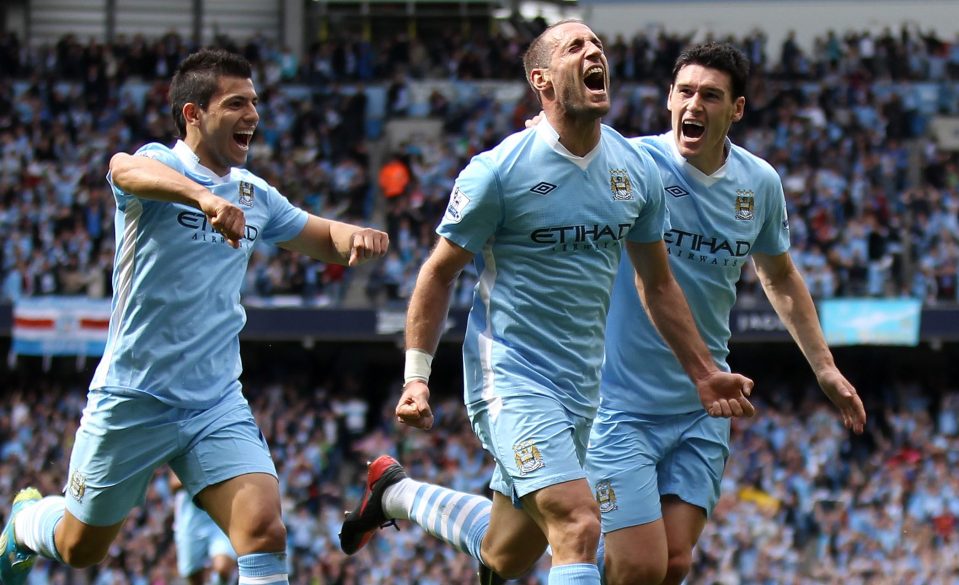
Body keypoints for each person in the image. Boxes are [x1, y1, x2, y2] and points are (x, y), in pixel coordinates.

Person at [338, 21, 754, 585]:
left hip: (582, 391)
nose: (594, 52)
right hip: (510, 378)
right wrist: (417, 377)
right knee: (579, 525)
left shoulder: (635, 172)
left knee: (505, 552)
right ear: (543, 81)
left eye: (598, 45)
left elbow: (657, 285)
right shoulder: (499, 172)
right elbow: (437, 274)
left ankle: (395, 493)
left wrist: (704, 373)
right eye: (574, 47)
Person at [0, 48, 388, 585]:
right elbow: (122, 168)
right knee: (80, 546)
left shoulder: (254, 194)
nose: (253, 114)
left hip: (214, 400)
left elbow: (320, 234)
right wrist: (203, 199)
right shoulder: (161, 164)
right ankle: (23, 522)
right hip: (134, 396)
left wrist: (355, 237)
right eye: (236, 103)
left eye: (254, 102)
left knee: (263, 530)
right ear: (193, 114)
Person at [582, 42, 867, 585]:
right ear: (669, 98)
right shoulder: (630, 163)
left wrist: (825, 367)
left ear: (736, 109)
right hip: (620, 404)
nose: (694, 105)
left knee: (675, 562)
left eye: (710, 96)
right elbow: (562, 156)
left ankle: (570, 563)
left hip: (705, 406)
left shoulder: (759, 184)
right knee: (639, 566)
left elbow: (779, 276)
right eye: (684, 92)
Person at [170, 472, 237, 585]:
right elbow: (173, 484)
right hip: (190, 523)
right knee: (194, 577)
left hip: (218, 517)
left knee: (223, 568)